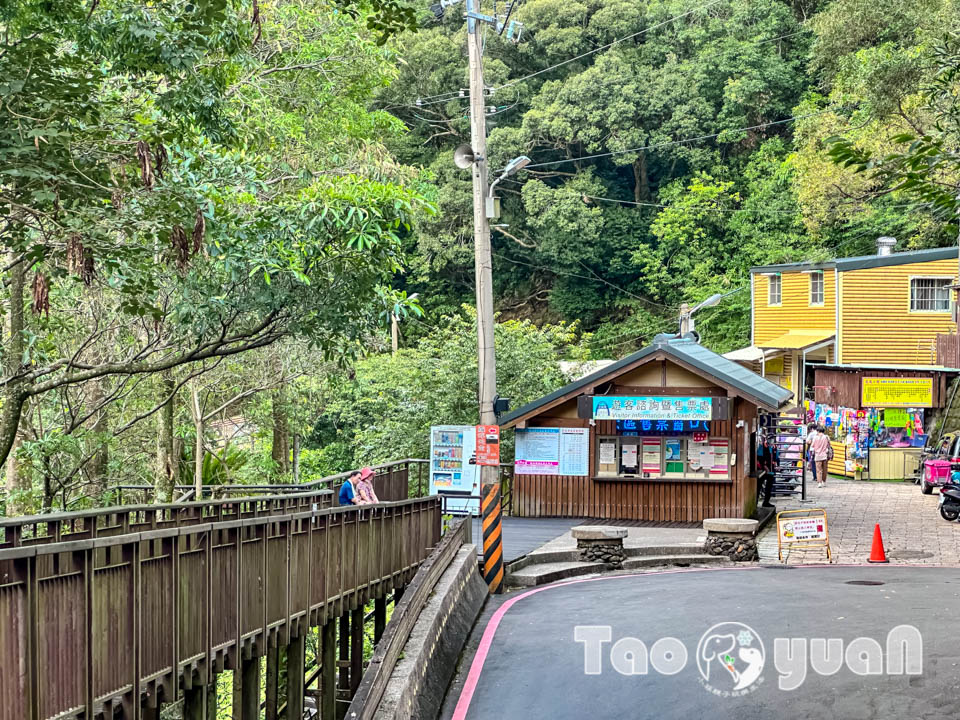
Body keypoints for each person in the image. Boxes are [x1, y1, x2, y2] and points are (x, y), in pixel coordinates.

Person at [810, 423, 831, 488]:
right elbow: (829, 445)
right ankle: (824, 481)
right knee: (824, 469)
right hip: (824, 455)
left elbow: (812, 445)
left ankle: (819, 483)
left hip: (817, 455)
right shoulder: (826, 437)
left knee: (818, 470)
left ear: (818, 431)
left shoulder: (815, 438)